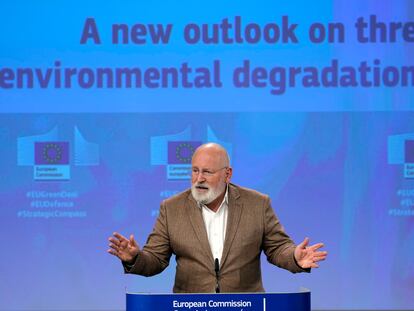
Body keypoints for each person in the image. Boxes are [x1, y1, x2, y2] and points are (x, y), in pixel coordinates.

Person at [108, 143, 327, 293]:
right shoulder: (172, 208)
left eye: (207, 172)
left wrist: (296, 258)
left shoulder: (257, 204)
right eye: (195, 171)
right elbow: (156, 260)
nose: (199, 179)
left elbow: (278, 248)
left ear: (227, 174)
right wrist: (134, 258)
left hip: (244, 306)